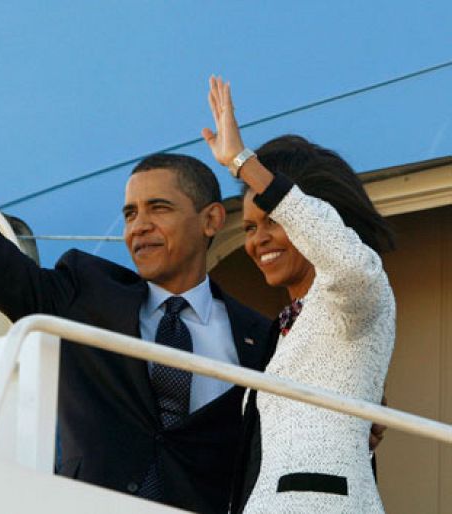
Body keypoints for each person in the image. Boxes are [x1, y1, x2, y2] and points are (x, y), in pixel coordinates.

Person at [0, 17, 272, 513]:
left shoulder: (259, 338)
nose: (138, 226)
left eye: (160, 209)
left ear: (212, 219)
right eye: (130, 213)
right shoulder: (81, 292)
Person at [202, 76, 395, 512]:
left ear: (318, 217)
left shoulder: (355, 291)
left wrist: (241, 160)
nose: (257, 241)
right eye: (250, 228)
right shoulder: (289, 329)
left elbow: (344, 260)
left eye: (272, 220)